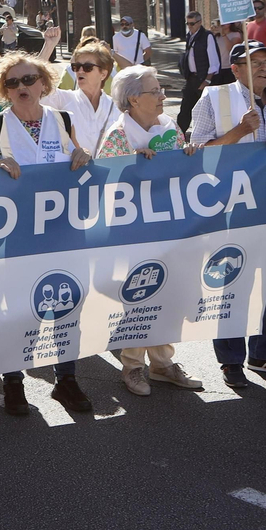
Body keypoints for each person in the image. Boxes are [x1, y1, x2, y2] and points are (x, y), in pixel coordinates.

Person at [189, 42, 266, 387]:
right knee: (231, 280)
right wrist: (239, 132)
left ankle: (265, 354)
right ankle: (231, 360)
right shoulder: (214, 100)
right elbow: (195, 152)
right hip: (231, 205)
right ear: (236, 69)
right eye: (254, 62)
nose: (264, 68)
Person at [0, 52, 93, 415]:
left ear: (44, 83)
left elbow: (80, 161)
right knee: (20, 309)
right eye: (13, 82)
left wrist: (84, 156)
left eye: (29, 79)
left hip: (63, 231)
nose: (22, 87)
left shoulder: (64, 118)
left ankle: (66, 380)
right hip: (17, 234)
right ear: (4, 90)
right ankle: (13, 383)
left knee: (66, 305)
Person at [95, 66, 204, 396]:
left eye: (161, 89)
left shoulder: (169, 125)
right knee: (138, 295)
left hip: (168, 227)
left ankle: (162, 363)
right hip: (133, 232)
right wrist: (132, 163)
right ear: (132, 99)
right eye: (155, 91)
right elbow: (104, 182)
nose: (163, 96)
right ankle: (132, 366)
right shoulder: (118, 134)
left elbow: (186, 170)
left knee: (167, 292)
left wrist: (189, 155)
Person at [45, 40, 119, 156]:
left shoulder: (116, 107)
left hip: (108, 173)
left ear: (103, 74)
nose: (80, 71)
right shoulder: (63, 99)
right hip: (74, 172)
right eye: (76, 66)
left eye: (87, 67)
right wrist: (48, 46)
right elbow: (35, 86)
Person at [178, 11, 224, 135]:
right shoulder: (190, 36)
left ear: (199, 22)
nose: (190, 26)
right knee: (185, 107)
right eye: (188, 24)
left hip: (203, 78)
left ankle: (209, 134)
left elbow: (214, 62)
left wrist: (207, 80)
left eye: (192, 24)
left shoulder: (207, 36)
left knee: (206, 109)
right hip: (191, 78)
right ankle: (179, 135)